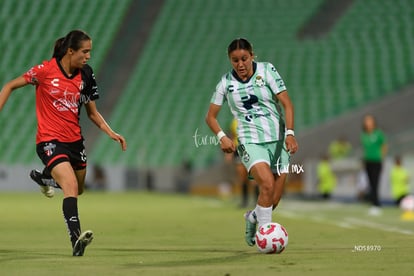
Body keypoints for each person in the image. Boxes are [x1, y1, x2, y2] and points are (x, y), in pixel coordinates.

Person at [0, 30, 127, 256]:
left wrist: (111, 132)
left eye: (90, 52)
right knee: (69, 186)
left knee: (79, 189)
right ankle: (75, 239)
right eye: (85, 51)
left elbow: (93, 113)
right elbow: (9, 85)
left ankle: (43, 177)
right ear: (71, 51)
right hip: (49, 140)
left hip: (75, 142)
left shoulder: (86, 75)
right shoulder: (45, 70)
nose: (88, 56)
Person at [205, 38, 298, 247]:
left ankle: (253, 217)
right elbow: (210, 117)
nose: (240, 64)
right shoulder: (226, 83)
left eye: (244, 59)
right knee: (266, 184)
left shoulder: (267, 71)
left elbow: (287, 104)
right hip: (250, 142)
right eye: (235, 60)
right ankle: (265, 241)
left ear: (252, 56)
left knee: (272, 200)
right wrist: (222, 137)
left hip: (278, 140)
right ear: (230, 60)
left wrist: (290, 133)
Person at [225, 118, 259, 208]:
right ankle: (244, 201)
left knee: (253, 178)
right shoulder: (234, 121)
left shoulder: (254, 119)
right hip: (239, 150)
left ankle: (257, 202)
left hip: (252, 149)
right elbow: (232, 136)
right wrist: (230, 153)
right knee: (242, 177)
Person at [360, 114, 387, 216]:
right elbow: (365, 148)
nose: (368, 123)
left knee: (375, 182)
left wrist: (381, 157)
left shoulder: (378, 133)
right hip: (368, 161)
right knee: (370, 183)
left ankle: (376, 204)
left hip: (377, 161)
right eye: (366, 121)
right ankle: (373, 203)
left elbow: (384, 145)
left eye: (369, 121)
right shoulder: (364, 134)